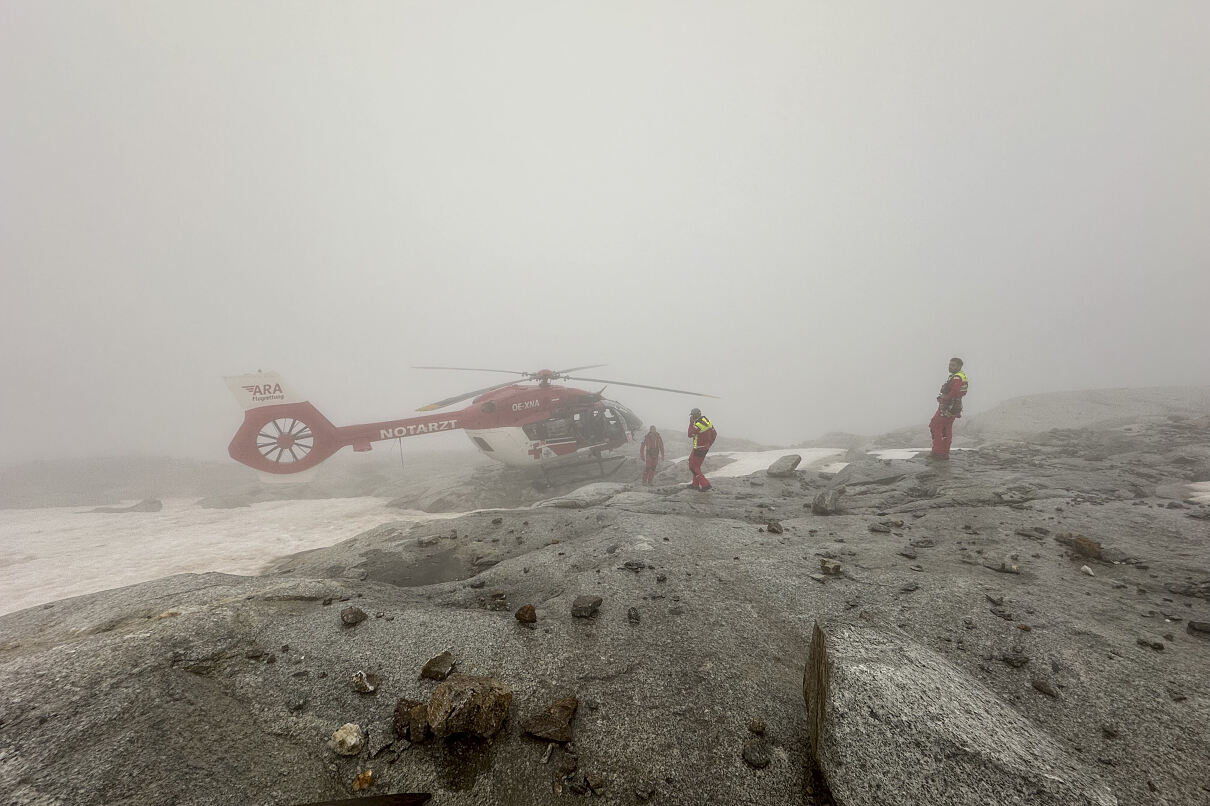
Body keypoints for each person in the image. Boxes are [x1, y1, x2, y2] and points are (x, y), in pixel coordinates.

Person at [929, 357, 968, 460]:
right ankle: (944, 453)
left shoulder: (957, 378)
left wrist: (944, 398)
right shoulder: (959, 376)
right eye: (950, 365)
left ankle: (938, 452)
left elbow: (954, 391)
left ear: (959, 366)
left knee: (936, 426)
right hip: (954, 406)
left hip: (948, 406)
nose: (950, 367)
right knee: (946, 429)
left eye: (953, 365)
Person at [687, 408, 717, 491]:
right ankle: (695, 484)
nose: (691, 417)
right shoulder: (706, 420)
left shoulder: (698, 424)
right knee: (693, 463)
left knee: (693, 467)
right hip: (703, 448)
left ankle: (705, 485)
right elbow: (715, 433)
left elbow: (689, 434)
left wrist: (691, 423)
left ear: (695, 415)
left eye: (692, 415)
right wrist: (709, 444)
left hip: (699, 448)